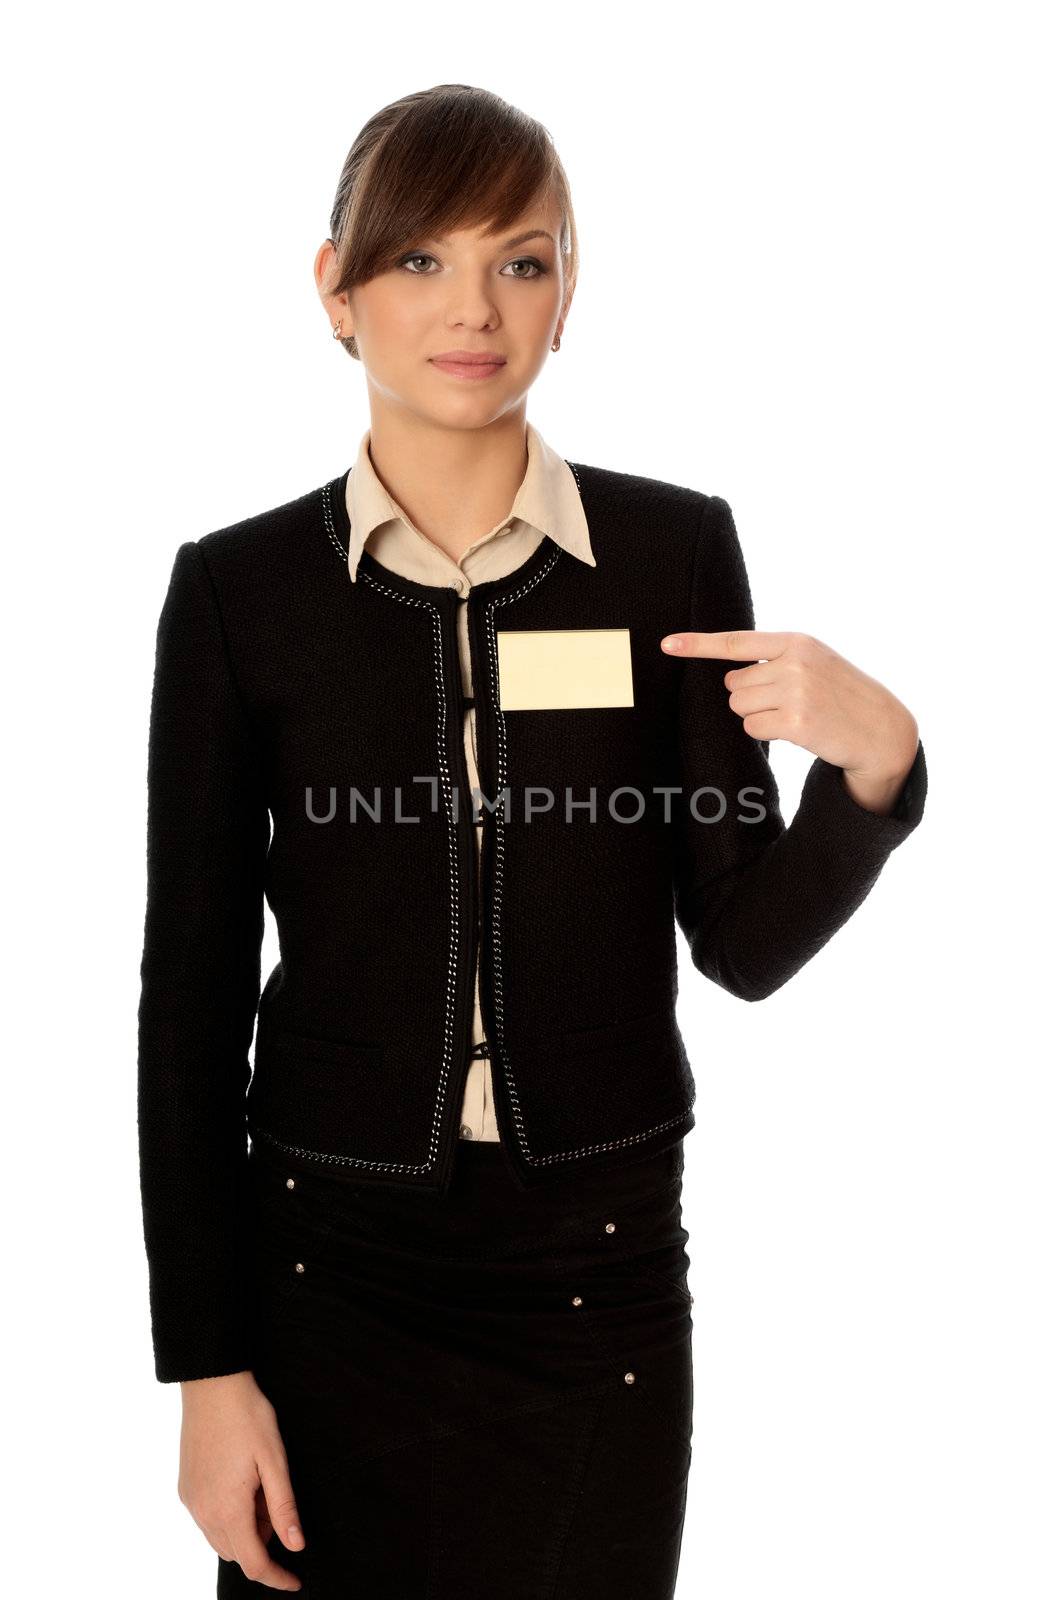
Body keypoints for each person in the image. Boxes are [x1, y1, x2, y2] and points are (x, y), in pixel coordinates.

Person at [137, 83, 928, 1599]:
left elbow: (745, 943)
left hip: (597, 1280)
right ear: (337, 289)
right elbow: (189, 1006)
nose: (473, 307)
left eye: (523, 258)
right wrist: (205, 1370)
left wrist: (876, 773)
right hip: (325, 1269)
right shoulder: (241, 594)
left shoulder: (668, 550)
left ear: (569, 295)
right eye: (421, 261)